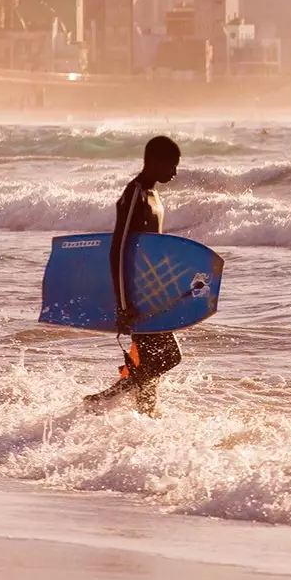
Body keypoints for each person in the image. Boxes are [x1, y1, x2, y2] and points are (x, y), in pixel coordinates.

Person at [85, 135, 183, 415]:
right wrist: (125, 304)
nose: (174, 173)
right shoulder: (135, 194)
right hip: (138, 296)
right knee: (168, 357)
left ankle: (146, 415)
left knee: (154, 361)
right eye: (171, 166)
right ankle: (107, 397)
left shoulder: (153, 195)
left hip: (152, 292)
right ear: (153, 161)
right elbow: (119, 249)